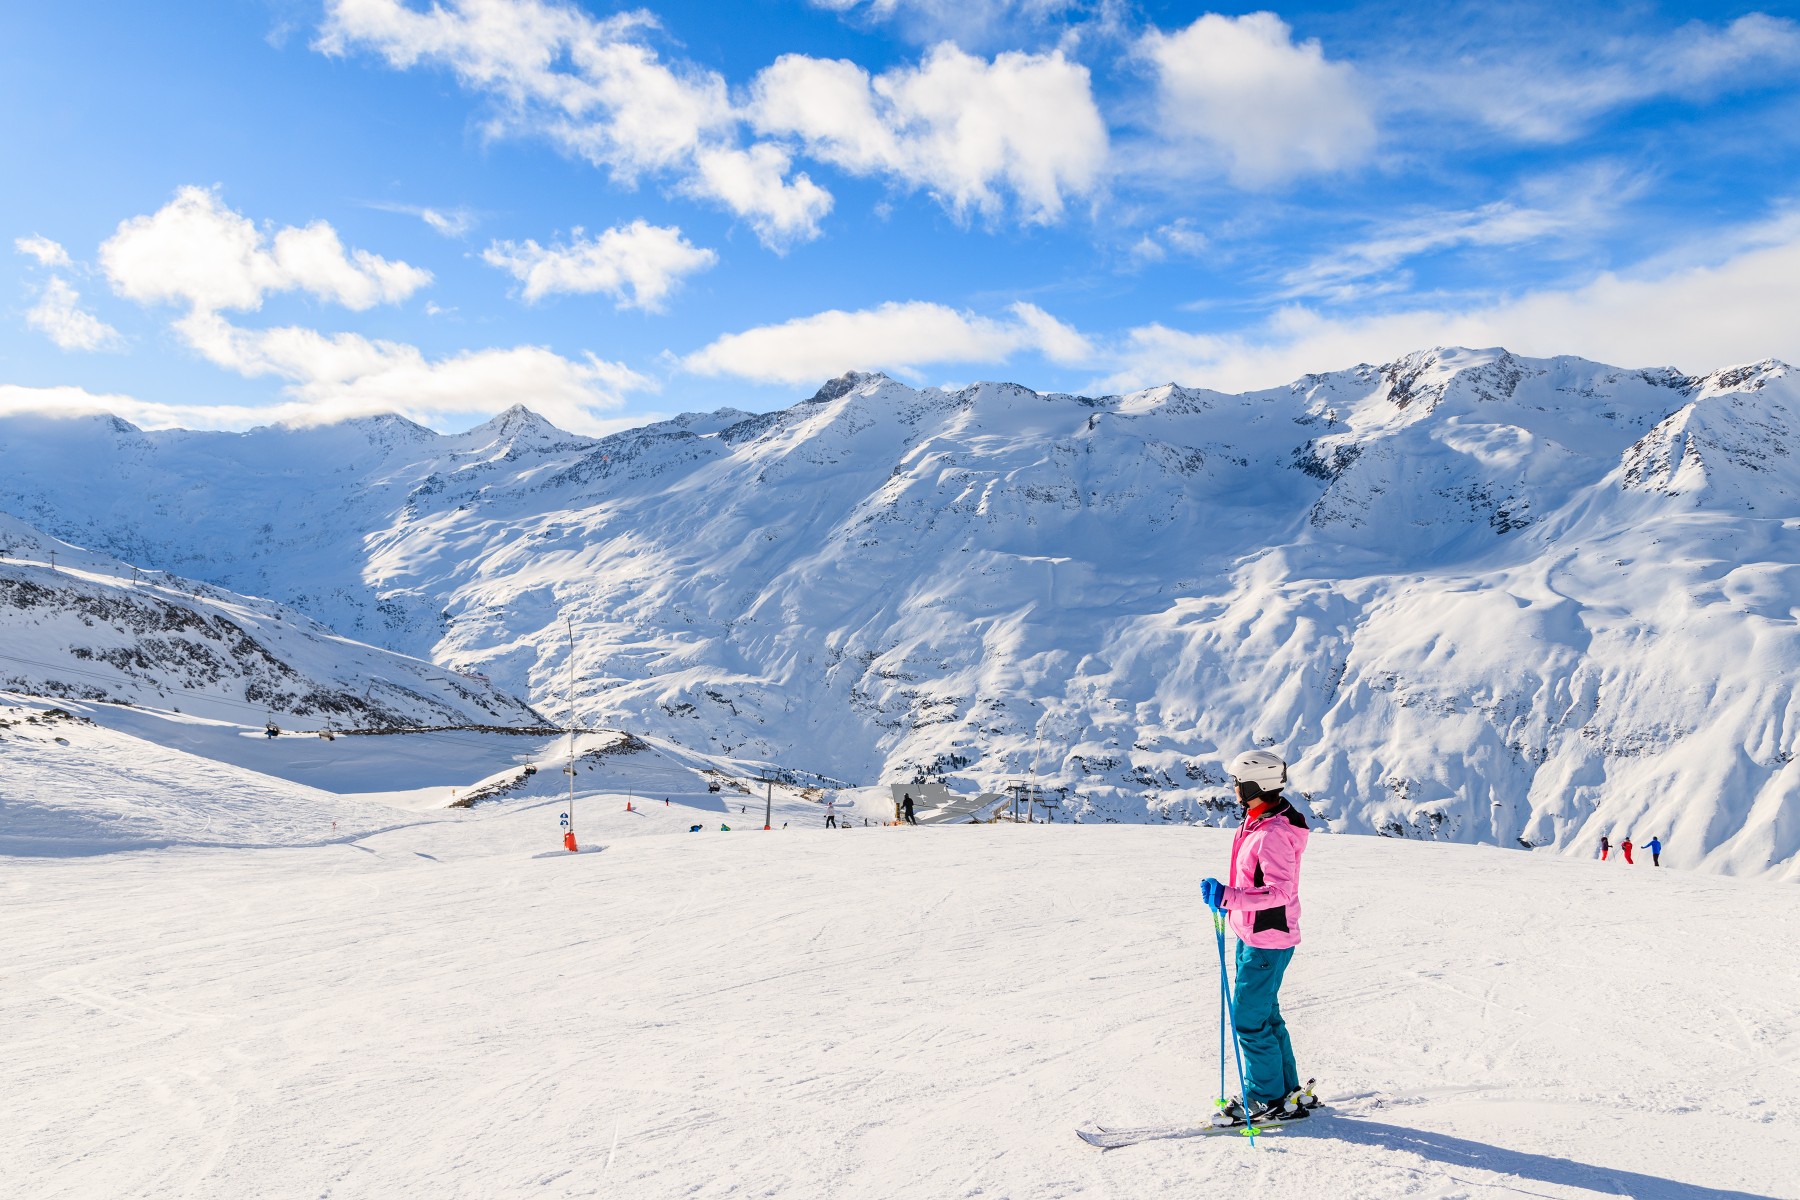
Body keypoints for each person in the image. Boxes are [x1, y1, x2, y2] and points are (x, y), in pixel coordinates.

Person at [1200, 749, 1319, 1127]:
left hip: (1268, 938)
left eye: (1237, 781)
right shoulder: (1256, 822)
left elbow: (1281, 891)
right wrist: (1230, 900)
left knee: (1249, 1021)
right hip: (1253, 933)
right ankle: (1286, 1091)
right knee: (1265, 1015)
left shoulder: (1272, 834)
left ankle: (1265, 1098)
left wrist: (1229, 897)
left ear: (1254, 785)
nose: (1233, 787)